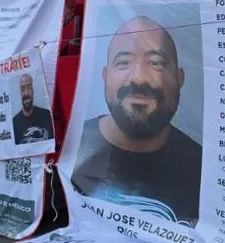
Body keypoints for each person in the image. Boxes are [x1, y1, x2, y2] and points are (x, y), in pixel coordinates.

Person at [71, 15, 202, 226]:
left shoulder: (204, 170)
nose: (139, 78)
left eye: (155, 63)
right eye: (123, 63)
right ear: (105, 76)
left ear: (180, 79)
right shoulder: (69, 150)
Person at [12, 73, 54, 144]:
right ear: (20, 93)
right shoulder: (14, 123)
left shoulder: (47, 115)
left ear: (33, 90)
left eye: (29, 87)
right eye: (22, 89)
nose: (26, 93)